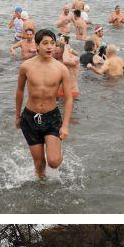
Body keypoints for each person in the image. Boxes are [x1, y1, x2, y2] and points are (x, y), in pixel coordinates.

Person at [15, 29, 73, 178]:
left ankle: (58, 155)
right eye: (45, 43)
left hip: (51, 117)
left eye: (52, 43)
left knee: (53, 161)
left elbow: (68, 98)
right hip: (30, 117)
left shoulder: (61, 69)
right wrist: (17, 116)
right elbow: (20, 91)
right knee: (39, 164)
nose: (49, 47)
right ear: (37, 45)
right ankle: (42, 187)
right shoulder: (26, 66)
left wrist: (65, 125)